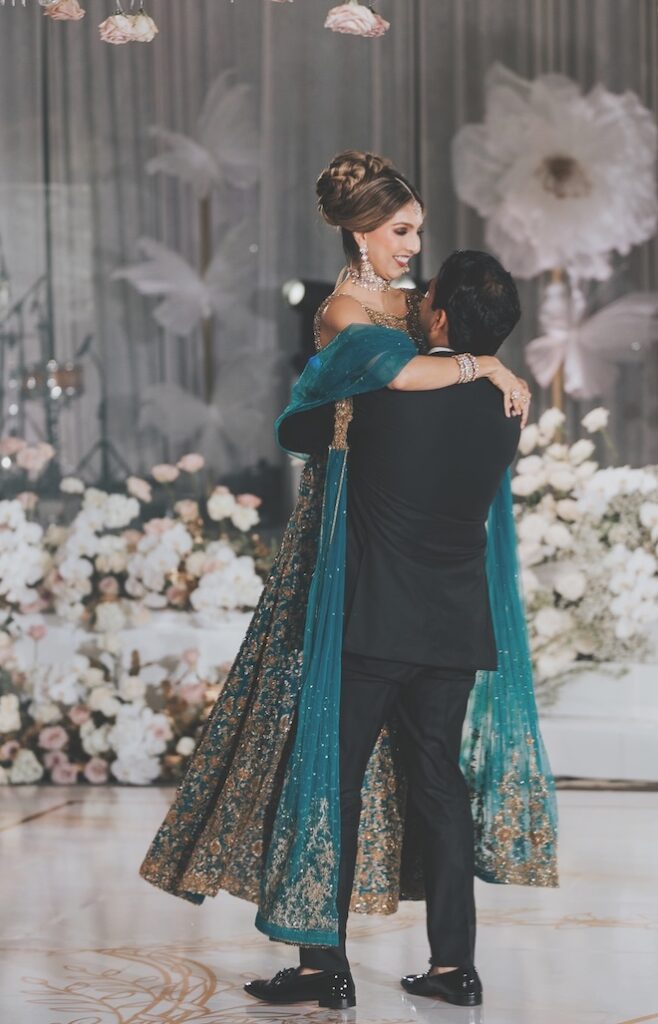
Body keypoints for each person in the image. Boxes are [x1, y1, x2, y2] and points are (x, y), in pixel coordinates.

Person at [139, 153, 556, 1012]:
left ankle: (323, 967)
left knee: (326, 771)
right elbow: (409, 365)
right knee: (436, 783)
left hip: (370, 603)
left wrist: (481, 360)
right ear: (360, 231)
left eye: (419, 237)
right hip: (433, 607)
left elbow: (412, 371)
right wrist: (492, 365)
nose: (414, 249)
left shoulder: (409, 322)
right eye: (402, 231)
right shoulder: (353, 319)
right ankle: (451, 965)